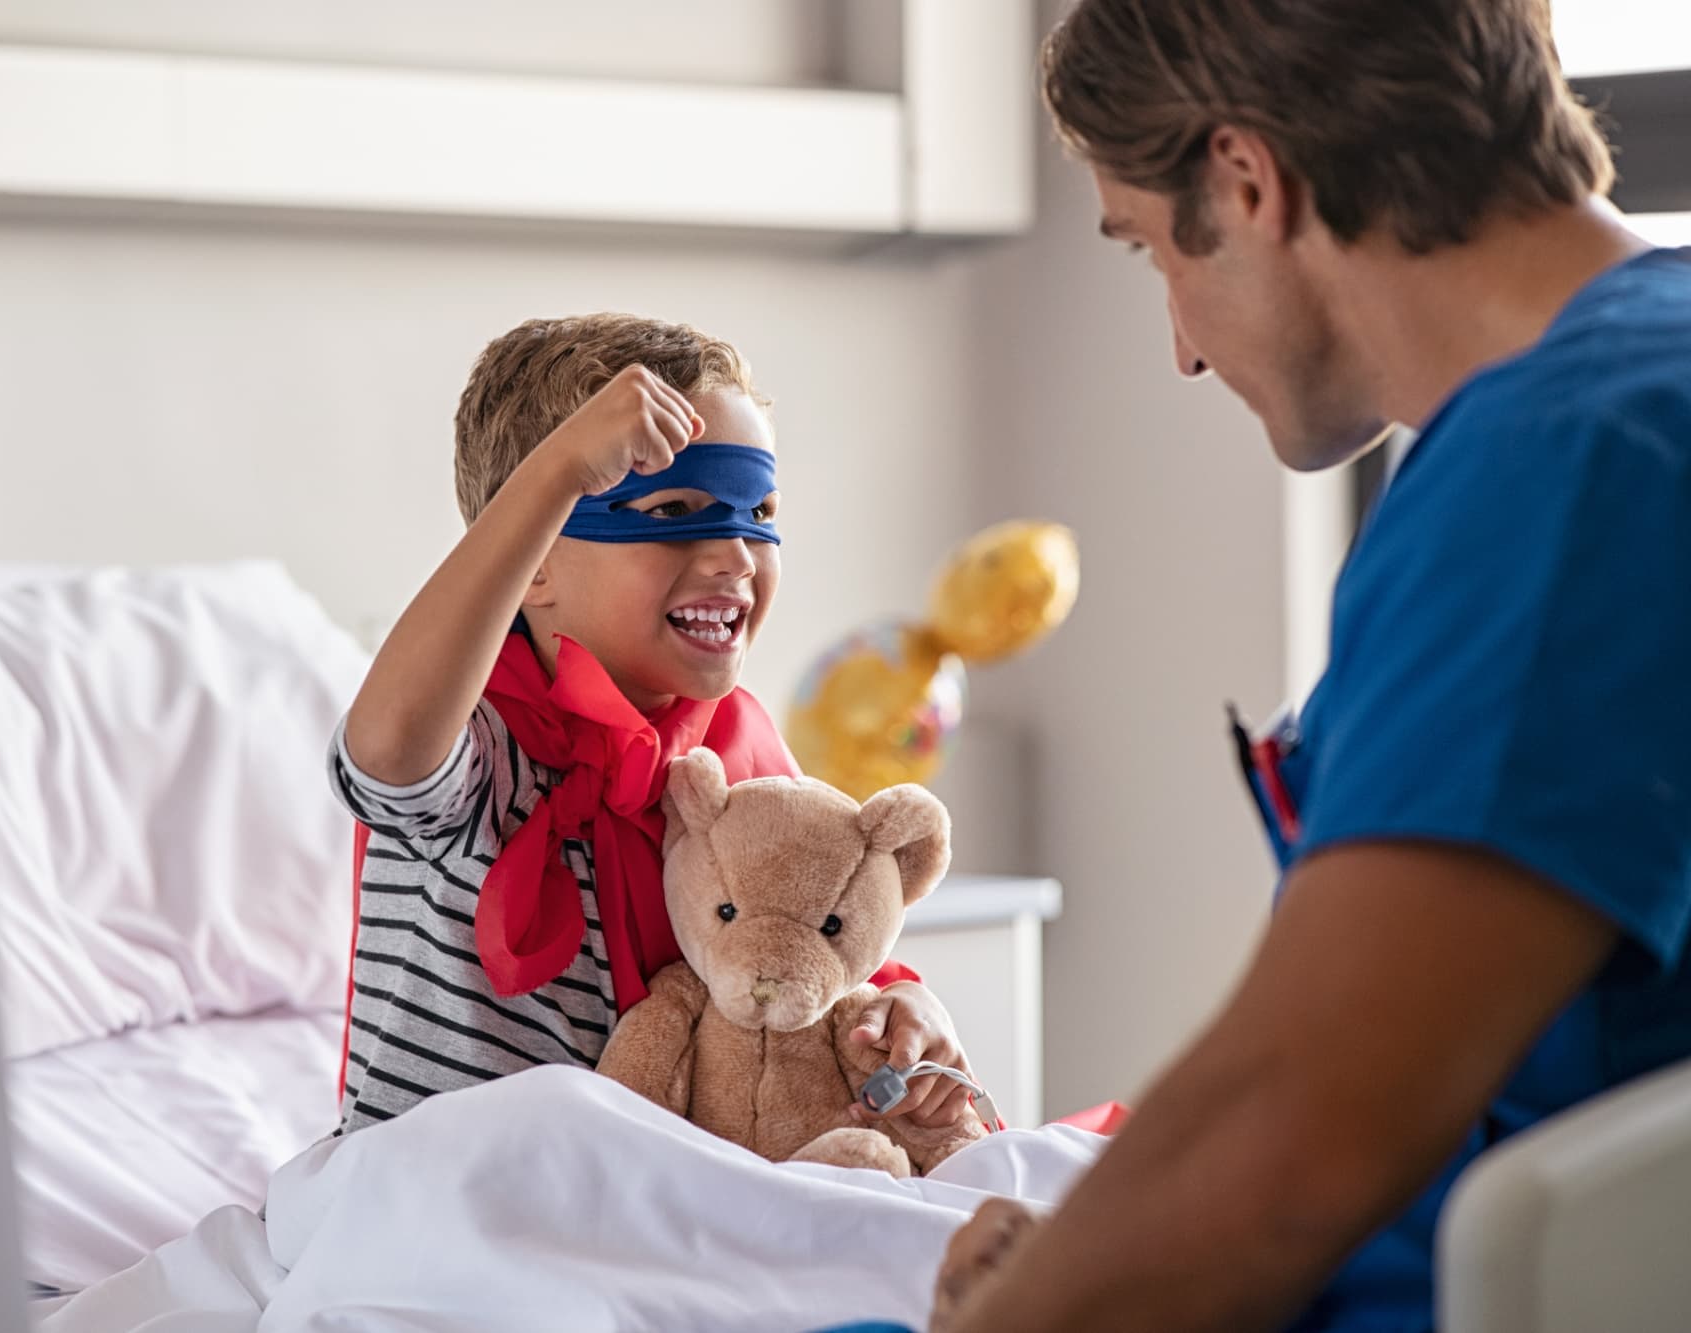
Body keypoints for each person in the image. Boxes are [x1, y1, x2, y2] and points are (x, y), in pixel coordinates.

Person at [932, 2, 1691, 1330]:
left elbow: (1292, 1148)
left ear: (1244, 180)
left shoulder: (1561, 468)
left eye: (1154, 250)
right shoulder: (1640, 388)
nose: (1180, 344)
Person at [328, 313, 973, 1136]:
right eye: (672, 510)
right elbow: (385, 750)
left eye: (759, 510)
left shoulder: (738, 752)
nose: (737, 552)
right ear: (535, 562)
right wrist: (556, 470)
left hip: (650, 1195)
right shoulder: (479, 742)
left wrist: (902, 1008)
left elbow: (812, 954)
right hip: (440, 1195)